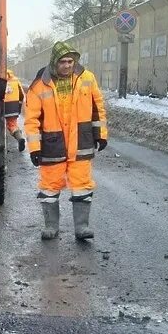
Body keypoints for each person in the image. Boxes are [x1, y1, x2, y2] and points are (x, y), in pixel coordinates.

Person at [24, 41, 108, 240]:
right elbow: (31, 119)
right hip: (53, 146)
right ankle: (51, 227)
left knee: (82, 185)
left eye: (71, 61)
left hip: (81, 142)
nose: (68, 65)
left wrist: (101, 134)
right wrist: (34, 148)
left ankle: (82, 228)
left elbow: (98, 108)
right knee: (50, 186)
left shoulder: (87, 78)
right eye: (63, 61)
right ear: (55, 62)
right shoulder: (39, 85)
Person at [4, 69, 26, 151]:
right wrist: (18, 107)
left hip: (1, 105)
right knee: (12, 125)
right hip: (13, 107)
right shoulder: (15, 80)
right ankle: (19, 138)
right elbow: (21, 95)